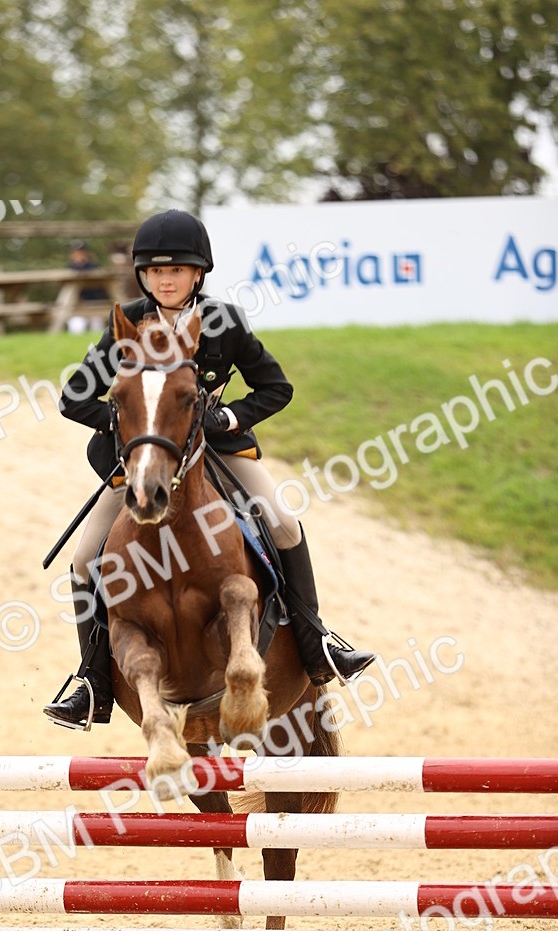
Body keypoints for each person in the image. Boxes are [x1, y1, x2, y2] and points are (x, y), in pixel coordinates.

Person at [44, 209, 375, 730]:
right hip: (146, 463)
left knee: (283, 523)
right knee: (86, 557)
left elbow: (276, 388)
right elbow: (72, 397)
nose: (165, 279)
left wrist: (228, 415)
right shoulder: (126, 324)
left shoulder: (225, 321)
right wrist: (130, 422)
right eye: (154, 272)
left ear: (199, 273)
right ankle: (92, 682)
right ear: (142, 277)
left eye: (176, 270)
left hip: (216, 453)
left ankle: (318, 643)